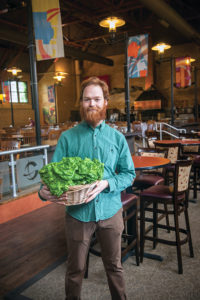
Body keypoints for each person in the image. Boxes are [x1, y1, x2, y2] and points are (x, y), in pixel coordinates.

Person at [39, 76, 136, 300]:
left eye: (96, 99)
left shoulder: (117, 138)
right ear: (81, 103)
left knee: (114, 267)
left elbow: (129, 174)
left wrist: (107, 183)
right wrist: (42, 192)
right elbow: (53, 175)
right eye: (86, 99)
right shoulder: (67, 138)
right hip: (77, 214)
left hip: (110, 212)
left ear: (105, 102)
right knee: (75, 270)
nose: (91, 104)